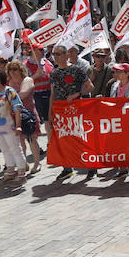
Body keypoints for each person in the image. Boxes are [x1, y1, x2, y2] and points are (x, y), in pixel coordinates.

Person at [49, 45, 93, 180]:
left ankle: (91, 167)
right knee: (64, 140)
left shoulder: (76, 70)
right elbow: (53, 93)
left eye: (58, 54)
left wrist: (76, 95)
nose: (55, 57)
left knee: (80, 137)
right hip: (60, 110)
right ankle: (67, 168)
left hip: (76, 108)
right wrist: (50, 112)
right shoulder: (53, 73)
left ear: (66, 55)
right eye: (54, 54)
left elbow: (90, 86)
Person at [98, 63, 129, 180]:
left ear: (127, 73)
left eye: (119, 71)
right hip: (117, 121)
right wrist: (102, 100)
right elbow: (112, 102)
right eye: (115, 71)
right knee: (118, 145)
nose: (116, 74)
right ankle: (122, 170)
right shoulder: (114, 86)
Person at [5, 61, 44, 174]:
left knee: (32, 139)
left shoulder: (27, 80)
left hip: (28, 113)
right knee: (20, 140)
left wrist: (5, 100)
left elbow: (23, 94)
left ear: (20, 69)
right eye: (10, 69)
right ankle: (24, 163)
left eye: (15, 69)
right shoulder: (9, 82)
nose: (12, 71)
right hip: (14, 114)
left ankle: (37, 163)